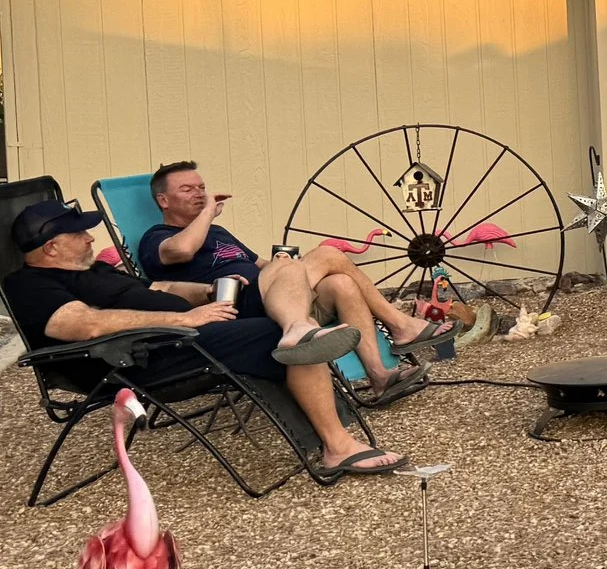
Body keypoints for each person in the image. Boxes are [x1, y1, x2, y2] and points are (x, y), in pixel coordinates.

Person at [6, 201, 403, 475]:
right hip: (156, 351)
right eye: (80, 234)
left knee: (287, 268)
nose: (91, 238)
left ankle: (298, 324)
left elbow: (157, 286)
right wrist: (185, 319)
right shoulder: (30, 285)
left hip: (198, 324)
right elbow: (81, 325)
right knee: (276, 333)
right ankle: (337, 446)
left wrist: (207, 292)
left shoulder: (92, 271)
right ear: (51, 247)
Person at [140, 161, 448, 394]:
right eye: (187, 189)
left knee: (339, 283)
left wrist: (286, 265)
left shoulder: (218, 233)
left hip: (276, 298)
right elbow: (181, 250)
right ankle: (400, 326)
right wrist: (209, 212)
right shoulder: (156, 237)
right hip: (235, 307)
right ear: (163, 202)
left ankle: (378, 375)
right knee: (325, 255)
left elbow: (260, 263)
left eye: (201, 187)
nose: (199, 194)